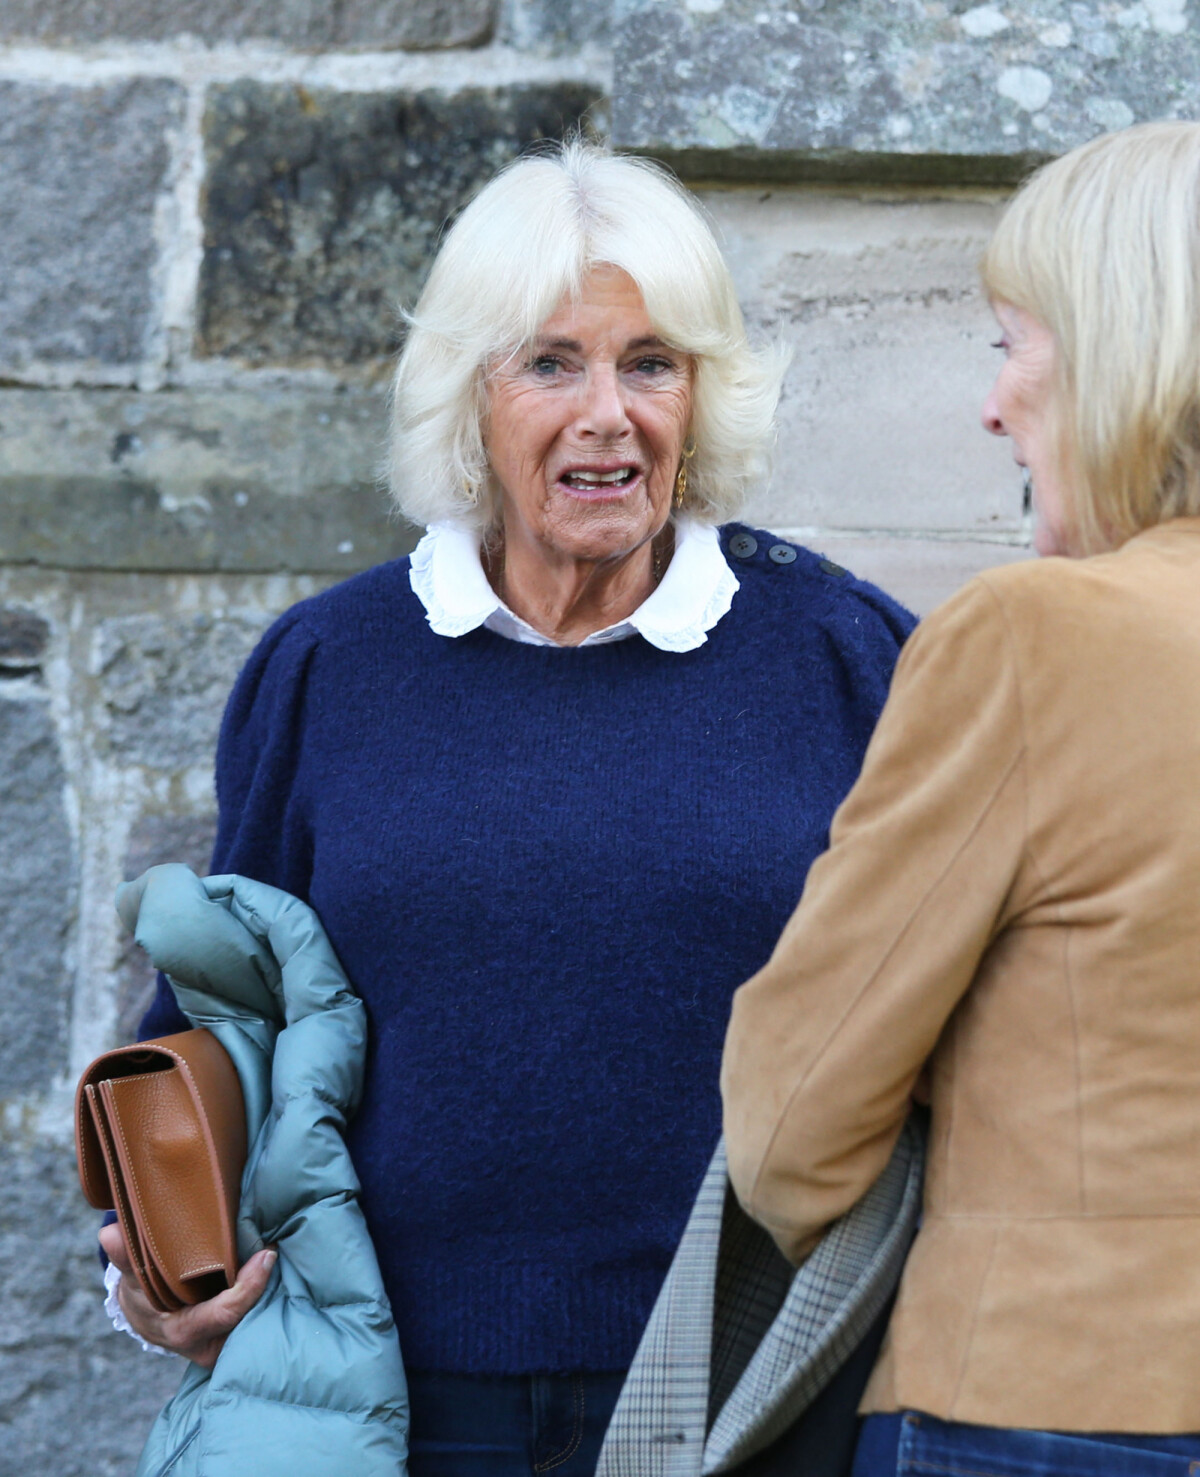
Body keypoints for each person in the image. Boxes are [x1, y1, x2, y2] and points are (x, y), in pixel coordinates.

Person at [100, 140, 916, 1476]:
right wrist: (156, 1264)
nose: (608, 411)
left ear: (701, 396)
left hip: (750, 1392)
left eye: (650, 363)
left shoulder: (845, 656)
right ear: (468, 393)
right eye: (552, 362)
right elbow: (217, 1013)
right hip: (407, 1401)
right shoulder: (330, 665)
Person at [721, 119, 1200, 1477]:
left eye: (1012, 345)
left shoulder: (1037, 637)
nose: (994, 407)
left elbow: (792, 1119)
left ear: (1127, 354)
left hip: (1056, 1399)